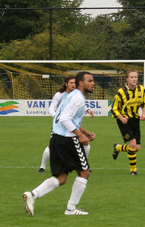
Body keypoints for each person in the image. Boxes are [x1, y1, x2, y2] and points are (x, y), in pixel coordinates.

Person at [23, 71, 96, 216]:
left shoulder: (70, 96)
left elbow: (64, 118)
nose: (93, 83)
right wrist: (80, 135)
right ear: (81, 83)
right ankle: (70, 209)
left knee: (61, 178)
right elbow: (64, 119)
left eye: (93, 81)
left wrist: (85, 131)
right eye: (90, 81)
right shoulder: (78, 98)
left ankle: (32, 195)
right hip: (68, 140)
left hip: (56, 138)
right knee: (84, 172)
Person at [111, 69, 145, 175]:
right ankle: (133, 170)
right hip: (124, 120)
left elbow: (144, 103)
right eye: (131, 77)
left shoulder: (141, 89)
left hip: (135, 119)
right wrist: (121, 118)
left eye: (135, 77)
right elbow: (114, 108)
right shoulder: (121, 92)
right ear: (127, 79)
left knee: (137, 148)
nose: (134, 79)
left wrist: (143, 114)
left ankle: (118, 148)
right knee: (132, 144)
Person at [37, 76, 76, 173]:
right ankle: (42, 166)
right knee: (52, 145)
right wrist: (56, 116)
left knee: (80, 144)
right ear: (66, 84)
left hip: (72, 123)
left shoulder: (77, 95)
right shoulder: (59, 95)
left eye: (75, 83)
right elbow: (51, 108)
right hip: (59, 124)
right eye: (71, 83)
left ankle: (82, 167)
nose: (73, 85)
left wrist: (87, 109)